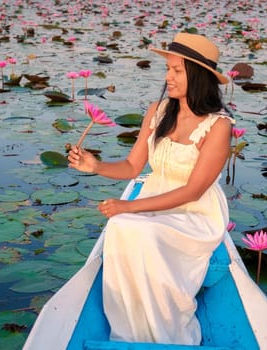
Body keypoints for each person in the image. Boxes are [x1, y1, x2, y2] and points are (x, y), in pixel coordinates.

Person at [67, 32, 234, 345]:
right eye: (168, 69)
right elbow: (132, 167)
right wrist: (96, 166)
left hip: (193, 212)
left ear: (198, 76)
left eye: (177, 71)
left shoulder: (218, 125)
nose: (168, 77)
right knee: (120, 227)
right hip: (154, 197)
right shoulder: (158, 111)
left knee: (136, 228)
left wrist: (127, 206)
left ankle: (166, 328)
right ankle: (130, 328)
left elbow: (193, 191)